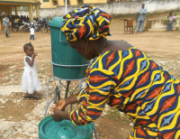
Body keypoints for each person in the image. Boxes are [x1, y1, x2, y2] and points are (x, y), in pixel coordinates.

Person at [51, 5, 180, 139]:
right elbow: (96, 91)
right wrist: (67, 100)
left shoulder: (101, 67)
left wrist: (62, 115)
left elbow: (89, 114)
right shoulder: (124, 46)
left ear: (85, 41)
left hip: (162, 124)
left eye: (75, 47)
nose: (77, 52)